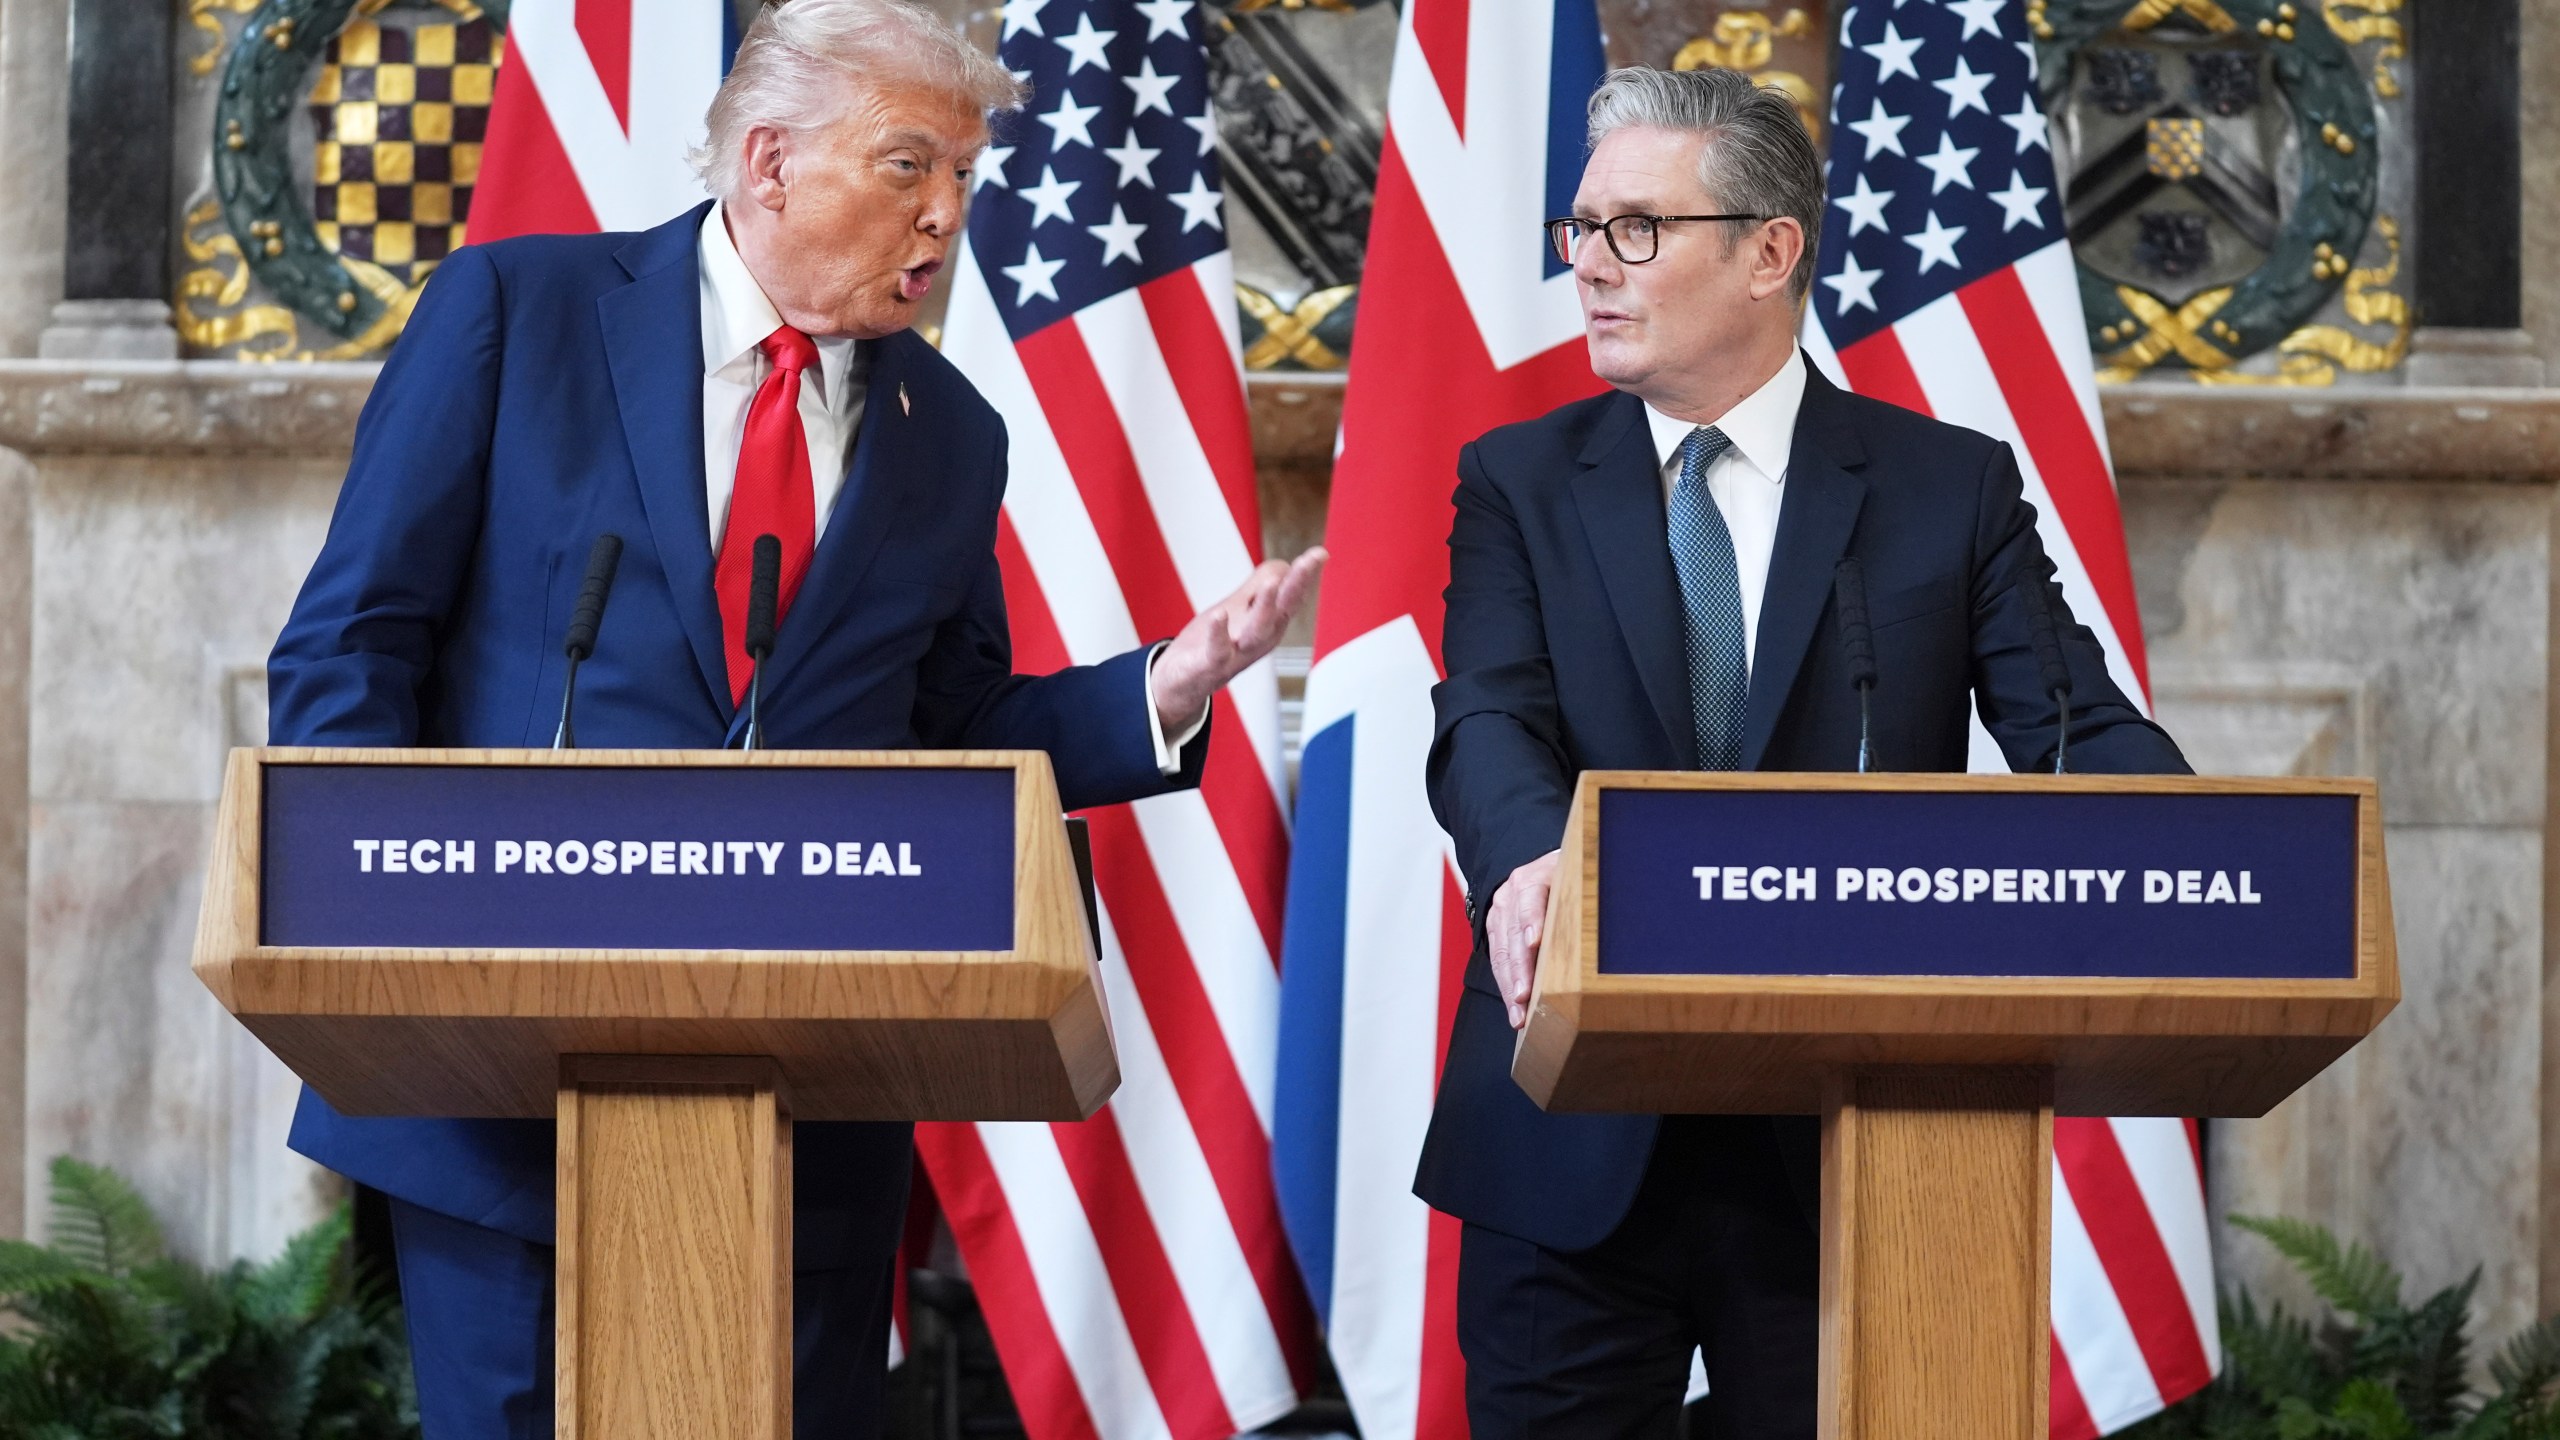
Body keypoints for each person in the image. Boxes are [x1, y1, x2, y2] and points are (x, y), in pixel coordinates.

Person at [265, 2, 1322, 1435]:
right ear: (768, 162)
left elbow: (952, 731)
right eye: (910, 167)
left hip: (807, 1106)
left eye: (964, 177)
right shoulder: (520, 313)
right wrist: (371, 916)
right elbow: (355, 640)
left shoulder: (946, 429)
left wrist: (1164, 688)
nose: (946, 216)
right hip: (506, 1090)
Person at [1412, 65, 2187, 1438]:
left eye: (1635, 229)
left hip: (1859, 1140)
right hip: (1572, 1123)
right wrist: (1529, 861)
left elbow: (2082, 733)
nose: (1590, 267)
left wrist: (2197, 874)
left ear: (1771, 250)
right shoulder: (1517, 478)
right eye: (1580, 230)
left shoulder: (1947, 488)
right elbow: (1489, 715)